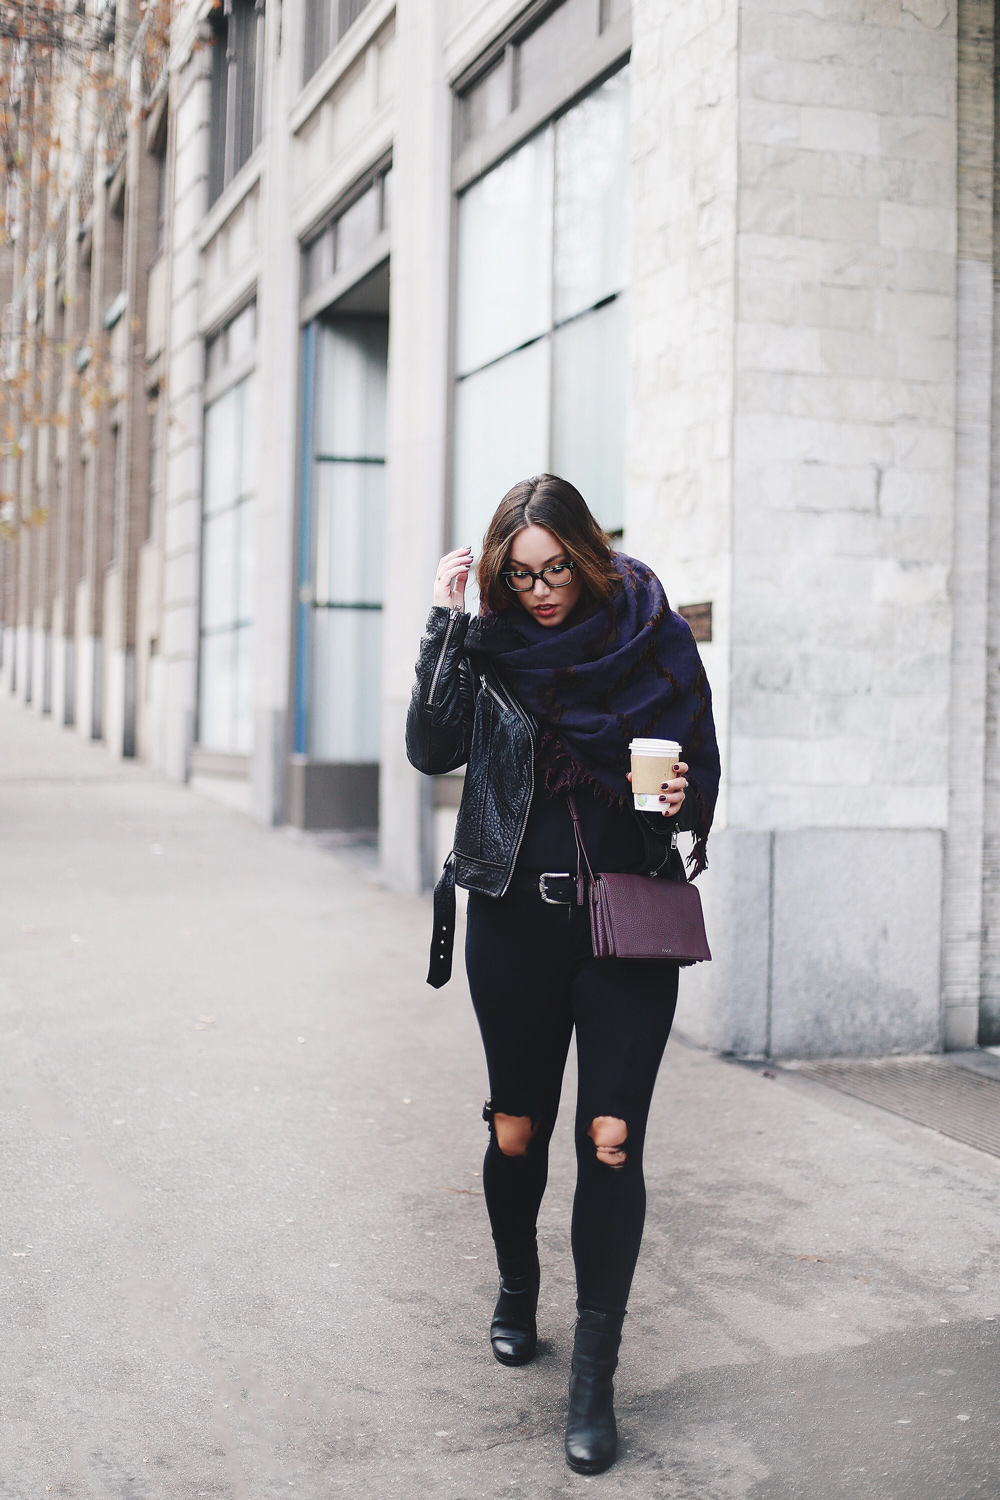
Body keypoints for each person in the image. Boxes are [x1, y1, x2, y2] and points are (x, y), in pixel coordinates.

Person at [405, 474, 720, 1474]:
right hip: (512, 926)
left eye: (553, 571)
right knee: (517, 1128)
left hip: (622, 925)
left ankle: (592, 1379)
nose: (539, 592)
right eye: (519, 574)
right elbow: (428, 747)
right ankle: (514, 1288)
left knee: (612, 1141)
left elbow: (699, 776)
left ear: (587, 559)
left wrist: (677, 796)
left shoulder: (652, 636)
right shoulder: (490, 644)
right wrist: (450, 621)